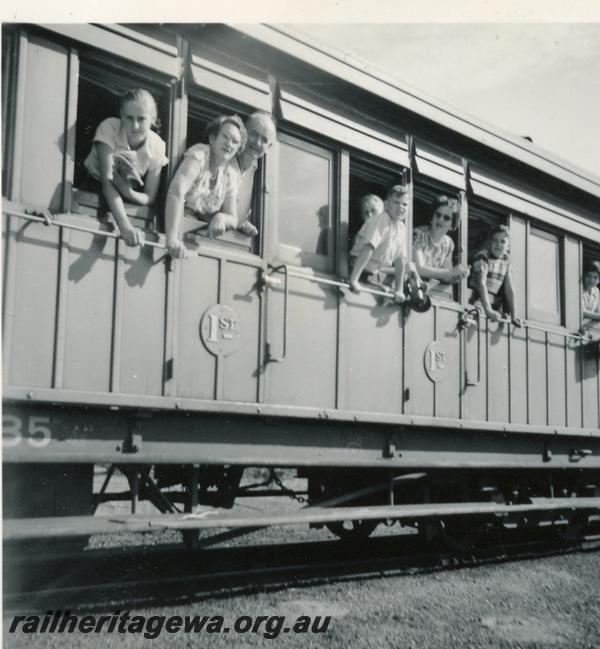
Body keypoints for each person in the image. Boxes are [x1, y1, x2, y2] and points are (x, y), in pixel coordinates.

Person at [84, 88, 168, 247]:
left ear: (153, 118)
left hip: (128, 195)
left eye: (141, 119)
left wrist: (127, 191)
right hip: (94, 188)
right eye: (129, 118)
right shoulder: (109, 128)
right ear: (122, 115)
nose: (134, 126)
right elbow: (107, 182)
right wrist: (124, 225)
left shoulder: (157, 146)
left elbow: (149, 197)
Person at [165, 115, 247, 258]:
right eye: (226, 137)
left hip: (197, 237)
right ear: (213, 138)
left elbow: (233, 218)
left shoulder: (230, 173)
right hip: (176, 226)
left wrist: (222, 218)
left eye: (235, 142)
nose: (229, 144)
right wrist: (171, 238)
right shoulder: (199, 155)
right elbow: (176, 192)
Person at [349, 185, 418, 303]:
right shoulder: (381, 219)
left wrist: (399, 290)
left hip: (370, 275)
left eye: (405, 204)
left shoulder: (401, 227)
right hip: (355, 270)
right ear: (386, 205)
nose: (401, 207)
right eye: (396, 202)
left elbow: (400, 260)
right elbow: (369, 247)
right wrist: (354, 280)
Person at [413, 195, 470, 289]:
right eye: (438, 215)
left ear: (452, 225)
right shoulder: (418, 234)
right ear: (432, 217)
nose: (440, 219)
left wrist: (459, 275)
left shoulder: (448, 244)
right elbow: (419, 269)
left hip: (429, 292)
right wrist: (450, 272)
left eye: (446, 218)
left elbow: (446, 276)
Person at [469, 224, 522, 326]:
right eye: (495, 240)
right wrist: (488, 310)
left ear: (508, 245)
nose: (498, 244)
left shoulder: (506, 259)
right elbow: (481, 283)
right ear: (490, 242)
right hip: (475, 302)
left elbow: (509, 288)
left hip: (491, 304)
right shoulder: (483, 256)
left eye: (502, 241)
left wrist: (514, 314)